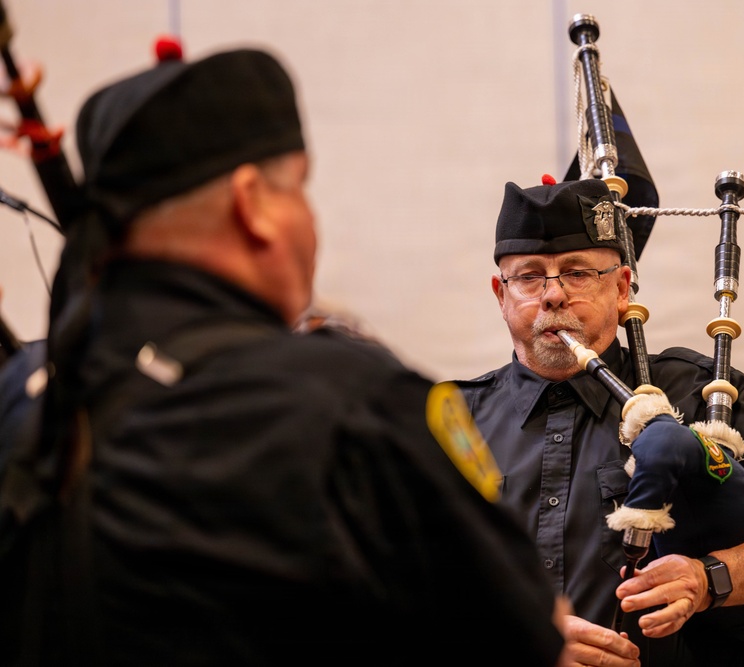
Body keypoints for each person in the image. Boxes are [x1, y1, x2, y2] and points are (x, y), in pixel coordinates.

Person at [0, 47, 570, 666]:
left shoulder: (21, 395)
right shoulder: (350, 404)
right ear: (252, 203)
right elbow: (516, 636)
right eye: (298, 188)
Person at [455, 178, 744, 666]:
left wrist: (709, 577)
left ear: (623, 288)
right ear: (500, 295)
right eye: (528, 276)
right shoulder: (453, 420)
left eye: (578, 273)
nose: (552, 296)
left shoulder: (699, 391)